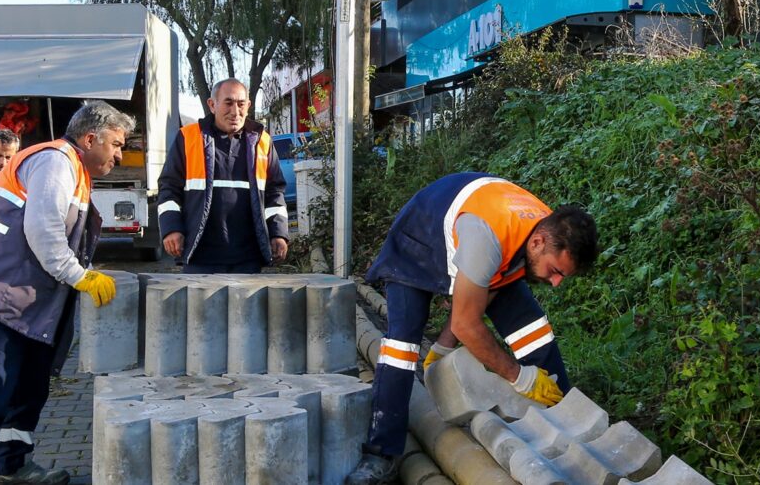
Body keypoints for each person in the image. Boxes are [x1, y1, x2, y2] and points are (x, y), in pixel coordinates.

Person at [0, 101, 131, 485]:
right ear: (90, 138)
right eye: (116, 144)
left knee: (24, 387)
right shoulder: (56, 162)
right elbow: (43, 231)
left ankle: (14, 466)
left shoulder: (74, 170)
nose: (120, 153)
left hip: (5, 300)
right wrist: (79, 276)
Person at [346, 172, 599, 485]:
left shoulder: (541, 229)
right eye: (556, 271)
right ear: (538, 243)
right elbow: (467, 323)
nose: (556, 282)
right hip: (416, 246)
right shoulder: (490, 238)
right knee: (401, 346)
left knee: (533, 330)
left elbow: (490, 281)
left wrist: (442, 346)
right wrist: (518, 376)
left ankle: (564, 424)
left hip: (479, 242)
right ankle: (381, 452)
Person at [158, 78, 290, 273]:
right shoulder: (188, 138)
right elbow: (169, 188)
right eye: (228, 103)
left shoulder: (262, 141)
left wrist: (279, 234)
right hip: (200, 257)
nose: (235, 112)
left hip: (248, 258)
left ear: (249, 106)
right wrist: (172, 228)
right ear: (212, 105)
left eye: (241, 104)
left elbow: (274, 193)